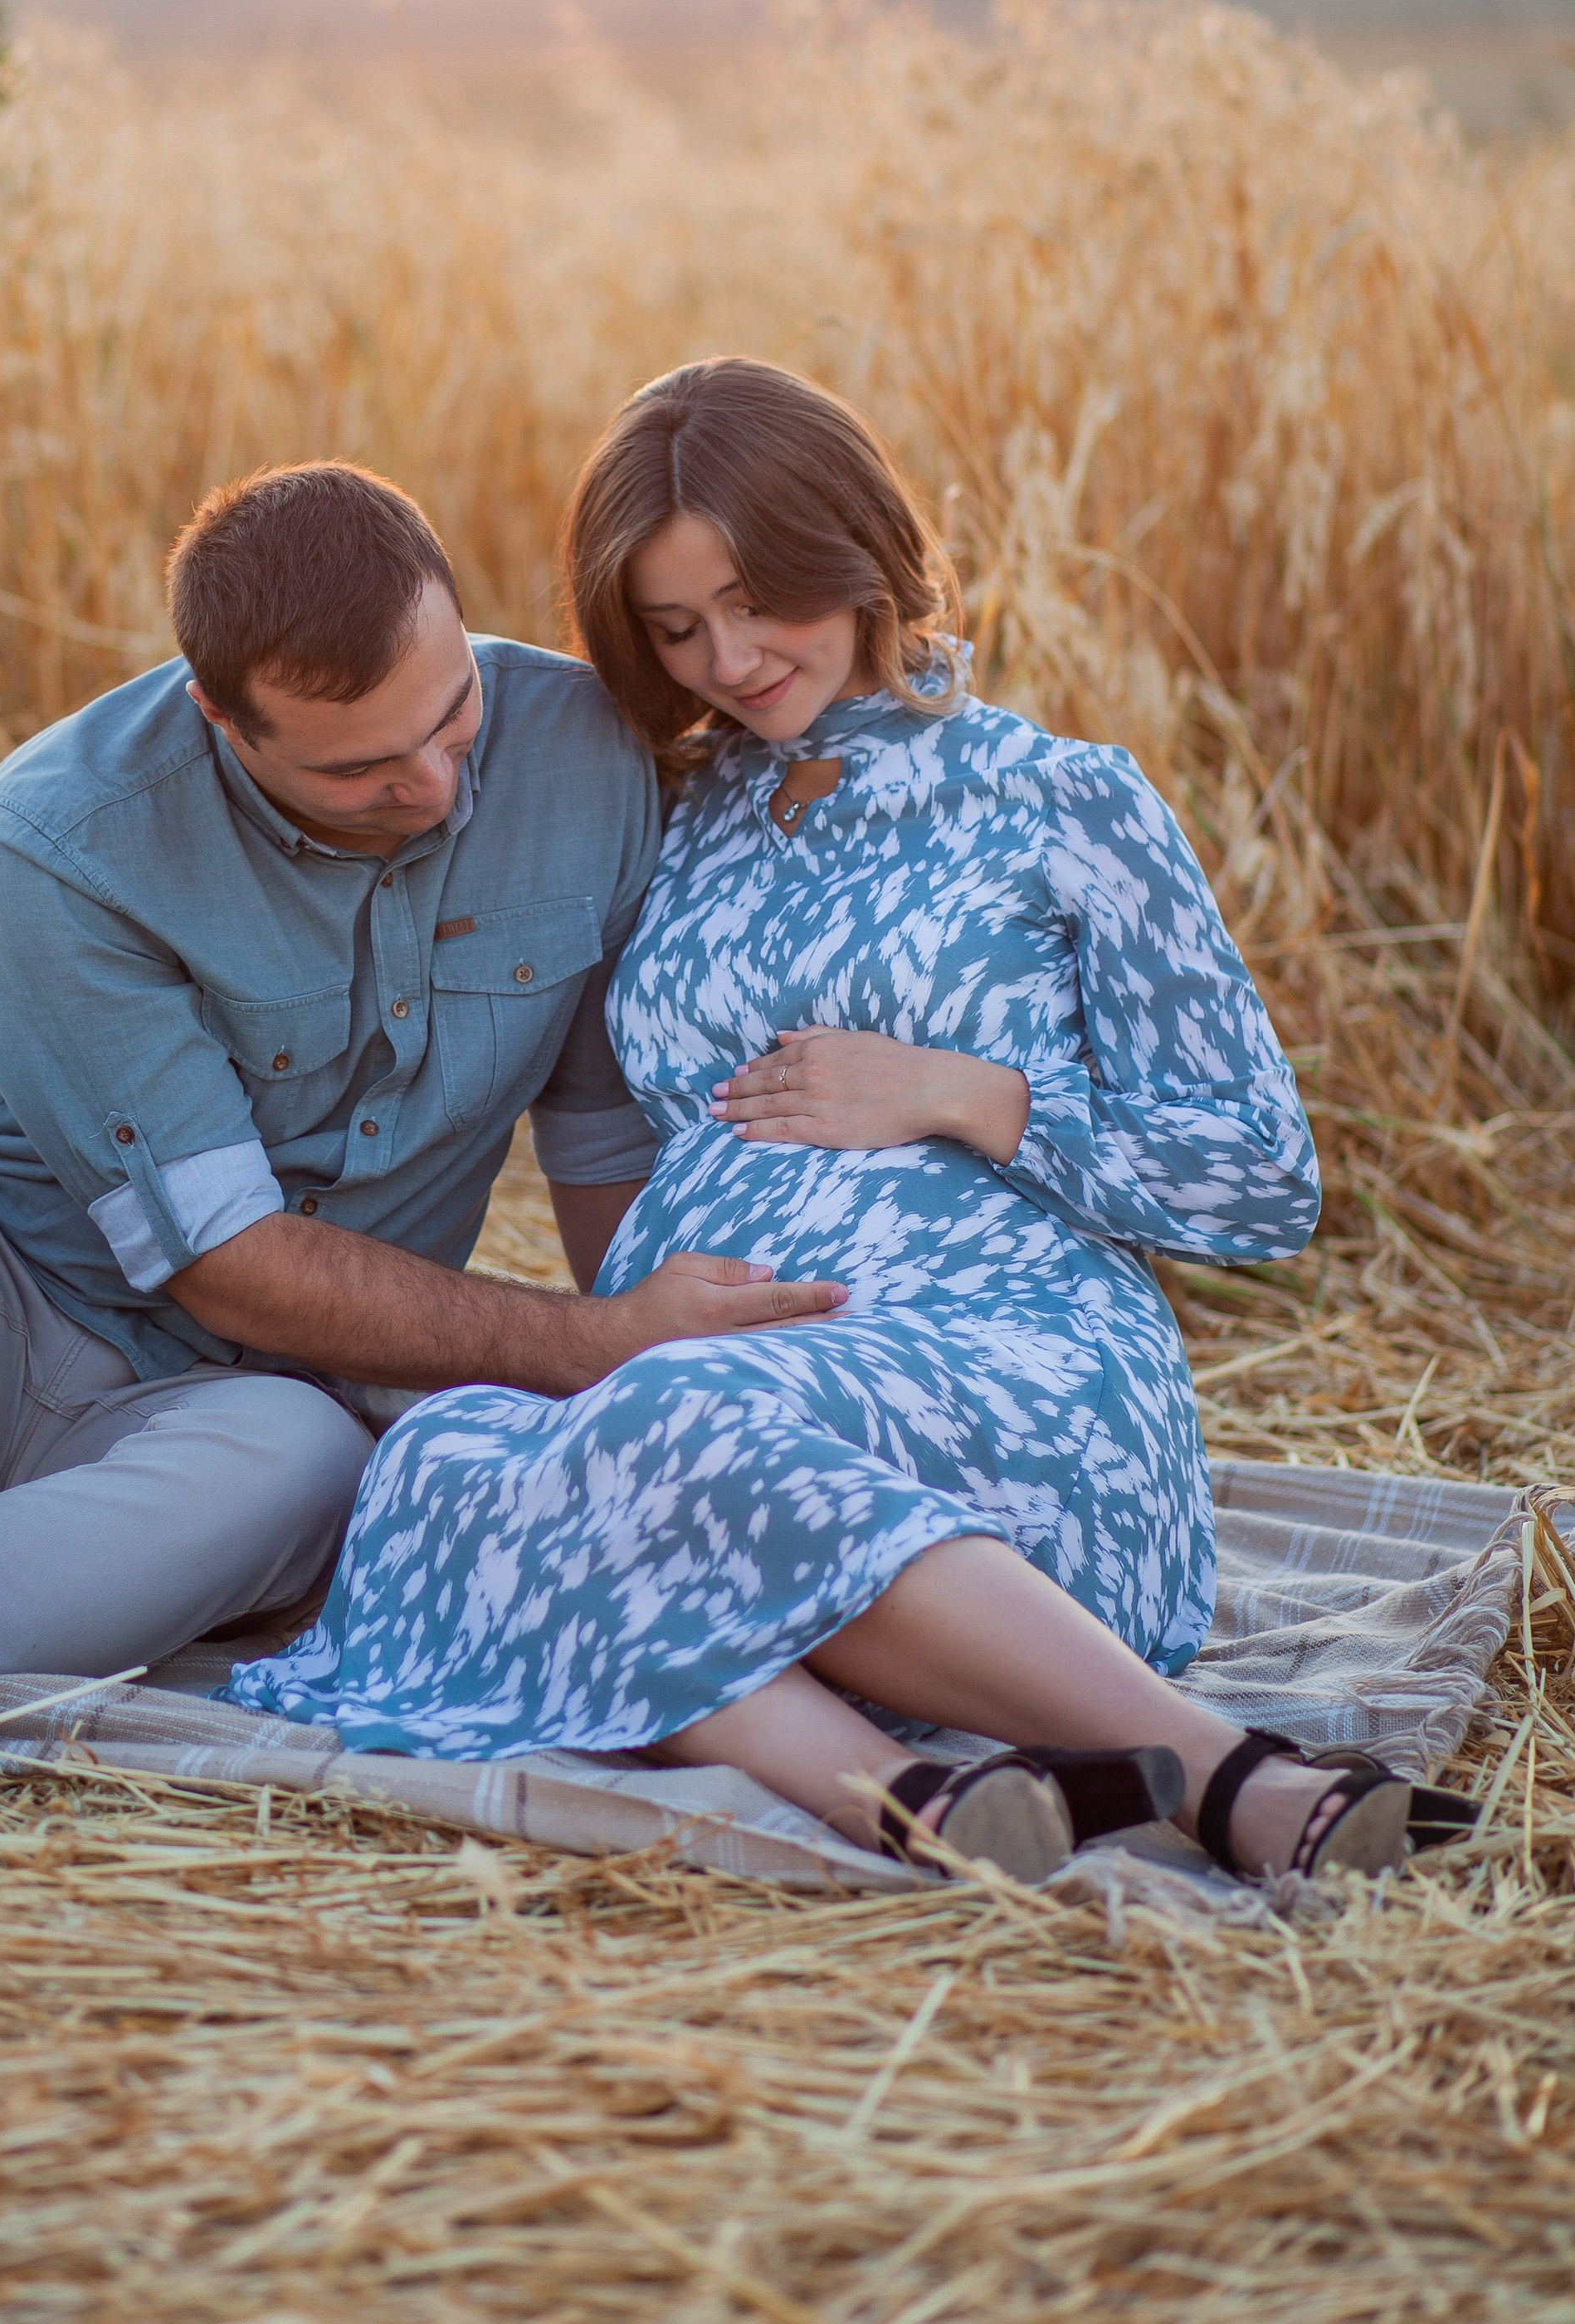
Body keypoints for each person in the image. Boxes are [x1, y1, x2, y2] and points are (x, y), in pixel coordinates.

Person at [229, 362, 1471, 1885]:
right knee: (444, 1454)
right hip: (727, 1393)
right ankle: (911, 1798)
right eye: (675, 629)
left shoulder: (1060, 803)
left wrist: (958, 1092)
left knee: (659, 1429)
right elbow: (614, 1137)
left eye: (759, 602)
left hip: (1010, 1372)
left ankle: (1233, 1779)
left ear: (859, 548)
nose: (731, 659)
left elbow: (1260, 1180)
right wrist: (633, 1320)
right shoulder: (674, 816)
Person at [0, 461, 846, 1783]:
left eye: (451, 717)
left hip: (240, 1432)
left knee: (309, 1456)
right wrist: (585, 1341)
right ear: (221, 719)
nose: (433, 786)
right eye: (360, 769)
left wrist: (647, 1368)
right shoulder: (56, 844)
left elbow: (597, 1140)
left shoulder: (586, 755)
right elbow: (226, 1264)